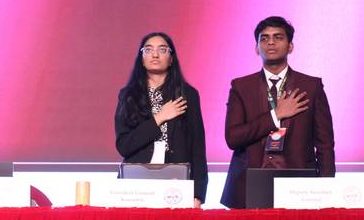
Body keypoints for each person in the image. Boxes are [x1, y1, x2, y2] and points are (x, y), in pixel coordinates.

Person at [221, 16, 335, 209]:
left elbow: (325, 144)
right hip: (249, 183)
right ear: (257, 48)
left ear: (290, 46)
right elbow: (233, 138)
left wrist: (326, 189)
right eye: (264, 38)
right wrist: (276, 116)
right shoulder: (241, 86)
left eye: (278, 37)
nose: (271, 42)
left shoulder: (311, 86)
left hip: (299, 184)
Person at [115, 32, 208, 207]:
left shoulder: (187, 94)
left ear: (171, 58)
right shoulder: (128, 96)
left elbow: (198, 147)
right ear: (142, 59)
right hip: (136, 184)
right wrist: (159, 117)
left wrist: (198, 194)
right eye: (148, 50)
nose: (155, 54)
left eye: (162, 49)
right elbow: (124, 146)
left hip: (176, 183)